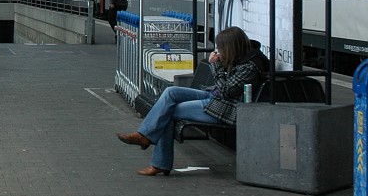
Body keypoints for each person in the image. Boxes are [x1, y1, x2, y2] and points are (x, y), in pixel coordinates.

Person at [115, 26, 269, 176]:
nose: (219, 52)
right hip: (214, 97)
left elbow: (226, 92)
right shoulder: (240, 57)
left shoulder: (249, 67)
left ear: (230, 48)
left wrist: (216, 65)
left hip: (224, 107)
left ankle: (158, 161)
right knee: (171, 92)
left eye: (221, 48)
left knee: (167, 112)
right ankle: (145, 137)